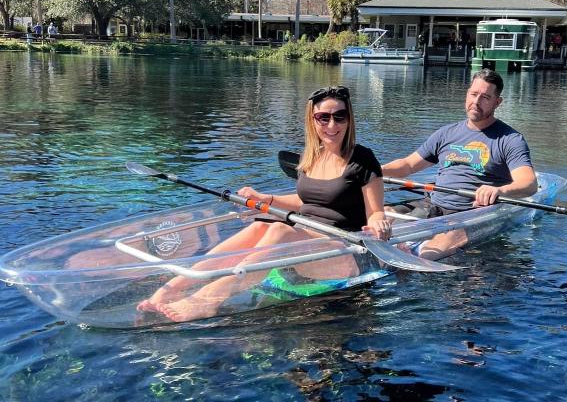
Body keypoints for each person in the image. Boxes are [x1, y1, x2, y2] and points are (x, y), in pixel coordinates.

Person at [138, 85, 390, 321]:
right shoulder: (311, 157)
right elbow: (309, 200)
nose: (332, 124)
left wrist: (380, 223)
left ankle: (207, 299)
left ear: (349, 119)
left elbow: (376, 211)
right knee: (262, 225)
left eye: (340, 116)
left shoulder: (362, 158)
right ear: (312, 121)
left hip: (344, 253)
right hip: (307, 241)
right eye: (323, 117)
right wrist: (266, 199)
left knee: (279, 228)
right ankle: (171, 288)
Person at [382, 69, 537, 259]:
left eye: (485, 97)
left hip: (470, 214)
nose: (476, 101)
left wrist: (499, 191)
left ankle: (410, 255)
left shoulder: (510, 139)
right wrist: (373, 170)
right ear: (467, 94)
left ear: (498, 102)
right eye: (473, 94)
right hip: (433, 205)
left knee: (433, 250)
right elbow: (408, 165)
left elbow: (529, 183)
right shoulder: (446, 133)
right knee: (383, 214)